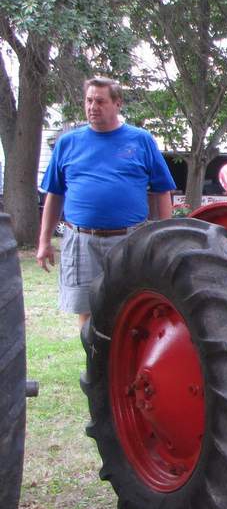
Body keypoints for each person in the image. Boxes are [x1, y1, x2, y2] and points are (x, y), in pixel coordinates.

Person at [36, 77, 175, 327]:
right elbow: (54, 195)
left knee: (130, 310)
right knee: (87, 311)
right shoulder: (68, 143)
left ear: (117, 103)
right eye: (89, 100)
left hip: (129, 241)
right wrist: (44, 241)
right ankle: (92, 355)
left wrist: (165, 237)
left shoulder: (141, 140)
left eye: (100, 101)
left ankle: (121, 355)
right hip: (81, 240)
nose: (93, 107)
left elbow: (162, 190)